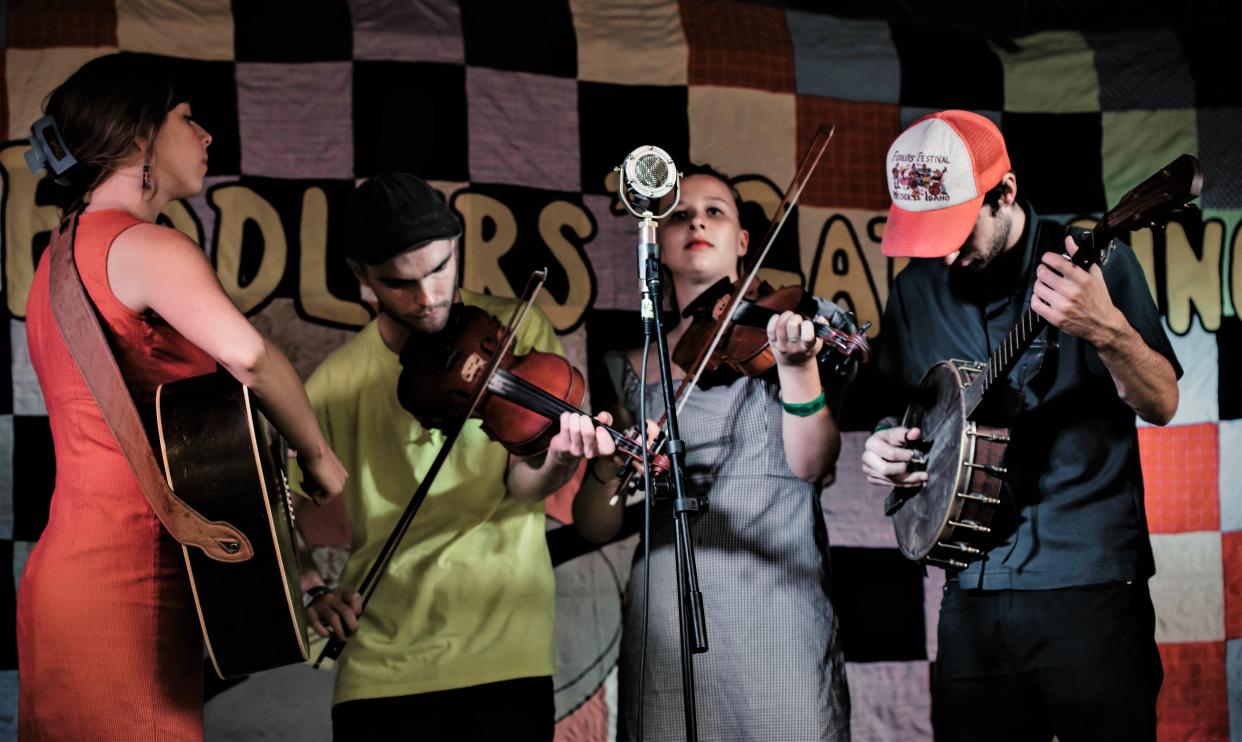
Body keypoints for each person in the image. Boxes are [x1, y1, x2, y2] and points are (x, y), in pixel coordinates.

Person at [19, 53, 347, 741]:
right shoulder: (147, 247)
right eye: (185, 119)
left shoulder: (57, 258)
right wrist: (319, 458)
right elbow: (252, 358)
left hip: (77, 571)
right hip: (127, 578)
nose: (206, 136)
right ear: (140, 134)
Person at [860, 110, 1180, 741]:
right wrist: (883, 447)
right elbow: (901, 410)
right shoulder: (915, 289)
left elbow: (1162, 401)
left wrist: (1106, 330)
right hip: (969, 585)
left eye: (954, 228)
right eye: (927, 235)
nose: (944, 252)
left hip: (1086, 583)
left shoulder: (1092, 264)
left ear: (1004, 192)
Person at [298, 173, 616, 742]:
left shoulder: (515, 327)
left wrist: (563, 458)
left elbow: (524, 486)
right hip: (380, 668)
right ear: (360, 277)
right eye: (400, 284)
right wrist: (309, 588)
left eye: (441, 268)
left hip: (504, 648)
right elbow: (275, 507)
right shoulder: (333, 384)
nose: (429, 297)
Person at [573, 166, 855, 741]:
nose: (696, 220)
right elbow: (594, 525)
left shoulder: (785, 332)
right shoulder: (629, 367)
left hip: (779, 605)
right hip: (665, 619)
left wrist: (799, 368)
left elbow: (814, 465)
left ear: (744, 241)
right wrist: (609, 461)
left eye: (715, 211)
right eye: (678, 214)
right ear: (655, 239)